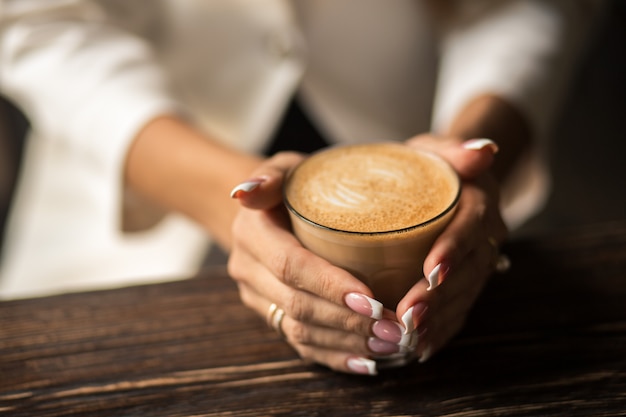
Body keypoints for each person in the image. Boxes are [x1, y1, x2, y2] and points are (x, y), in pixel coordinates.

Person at [0, 0, 601, 375]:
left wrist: (471, 152)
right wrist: (228, 198)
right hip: (135, 185)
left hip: (423, 159)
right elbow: (39, 21)